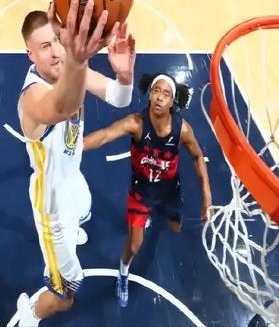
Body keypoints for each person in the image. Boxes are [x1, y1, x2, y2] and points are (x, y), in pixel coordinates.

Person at [15, 0, 136, 326]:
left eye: (57, 39)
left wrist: (125, 76)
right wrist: (78, 61)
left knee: (84, 208)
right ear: (30, 55)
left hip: (73, 183)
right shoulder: (32, 97)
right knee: (65, 295)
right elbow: (63, 106)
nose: (56, 51)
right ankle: (29, 315)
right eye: (44, 46)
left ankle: (67, 238)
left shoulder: (71, 68)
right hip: (51, 203)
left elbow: (119, 98)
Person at [84, 72, 213, 307]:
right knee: (134, 245)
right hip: (141, 193)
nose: (160, 97)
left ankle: (155, 216)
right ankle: (123, 272)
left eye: (166, 94)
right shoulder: (136, 123)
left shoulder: (182, 129)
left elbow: (197, 156)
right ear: (150, 95)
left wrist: (207, 196)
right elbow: (104, 136)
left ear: (172, 101)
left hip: (169, 192)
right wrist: (76, 147)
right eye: (156, 91)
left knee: (175, 228)